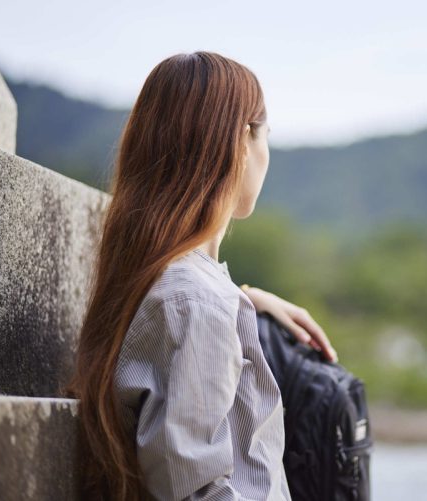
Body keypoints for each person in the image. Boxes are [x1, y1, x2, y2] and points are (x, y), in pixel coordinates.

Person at [63, 51, 338, 501]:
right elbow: (195, 491)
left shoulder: (168, 284)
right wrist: (221, 302)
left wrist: (244, 298)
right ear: (241, 141)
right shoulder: (195, 302)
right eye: (266, 133)